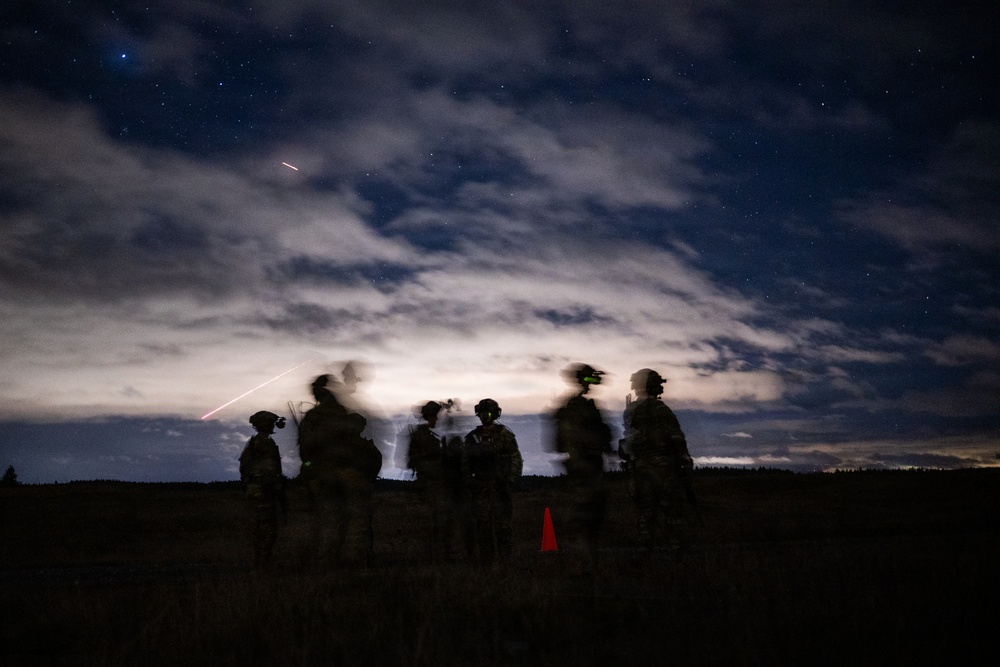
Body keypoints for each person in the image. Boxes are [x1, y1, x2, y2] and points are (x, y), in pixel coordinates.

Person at [621, 369, 694, 552]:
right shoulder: (661, 409)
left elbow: (628, 441)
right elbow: (676, 437)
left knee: (646, 513)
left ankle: (644, 551)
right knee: (671, 511)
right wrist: (685, 459)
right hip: (663, 468)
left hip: (639, 469)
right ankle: (676, 551)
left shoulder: (630, 411)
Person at [552, 363, 613, 564]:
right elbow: (562, 442)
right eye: (587, 379)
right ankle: (582, 565)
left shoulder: (586, 405)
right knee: (584, 518)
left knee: (594, 517)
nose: (590, 383)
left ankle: (590, 562)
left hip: (592, 466)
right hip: (583, 469)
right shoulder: (573, 407)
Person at [463, 398, 523, 564]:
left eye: (489, 413)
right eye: (482, 414)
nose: (486, 417)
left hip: (500, 487)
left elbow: (515, 458)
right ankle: (487, 563)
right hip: (480, 488)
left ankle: (505, 561)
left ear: (495, 414)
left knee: (503, 526)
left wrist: (511, 480)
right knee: (483, 528)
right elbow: (465, 462)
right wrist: (470, 481)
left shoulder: (504, 435)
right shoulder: (472, 438)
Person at [407, 400, 466, 562]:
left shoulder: (428, 436)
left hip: (438, 485)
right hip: (432, 486)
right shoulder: (422, 436)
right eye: (434, 416)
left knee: (443, 522)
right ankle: (438, 556)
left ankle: (441, 555)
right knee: (438, 522)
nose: (437, 420)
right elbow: (414, 461)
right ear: (429, 417)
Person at [239, 410, 286, 568]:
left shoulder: (255, 442)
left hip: (257, 490)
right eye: (271, 423)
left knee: (260, 527)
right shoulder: (263, 443)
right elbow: (269, 470)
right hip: (264, 491)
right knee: (266, 529)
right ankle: (263, 565)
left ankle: (261, 562)